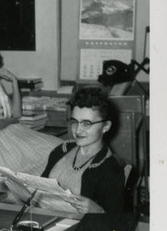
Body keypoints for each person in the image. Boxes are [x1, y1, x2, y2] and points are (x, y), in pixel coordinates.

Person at [0, 36, 62, 191]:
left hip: (6, 132)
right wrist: (11, 121)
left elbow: (17, 113)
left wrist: (14, 82)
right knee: (34, 167)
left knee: (56, 148)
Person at [39, 86, 124, 214]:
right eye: (74, 122)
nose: (77, 130)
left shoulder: (110, 169)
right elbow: (39, 190)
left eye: (86, 123)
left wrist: (98, 211)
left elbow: (116, 223)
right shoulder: (61, 151)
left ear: (106, 126)